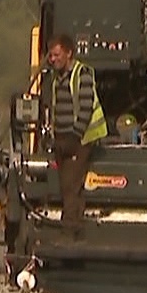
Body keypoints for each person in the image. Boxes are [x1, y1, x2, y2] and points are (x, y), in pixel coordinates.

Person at [45, 33, 107, 236]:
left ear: (69, 53)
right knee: (66, 186)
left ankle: (69, 234)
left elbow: (86, 108)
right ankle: (76, 232)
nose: (53, 59)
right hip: (63, 139)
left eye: (56, 54)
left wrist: (74, 137)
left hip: (81, 139)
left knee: (71, 186)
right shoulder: (57, 78)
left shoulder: (82, 74)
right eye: (51, 55)